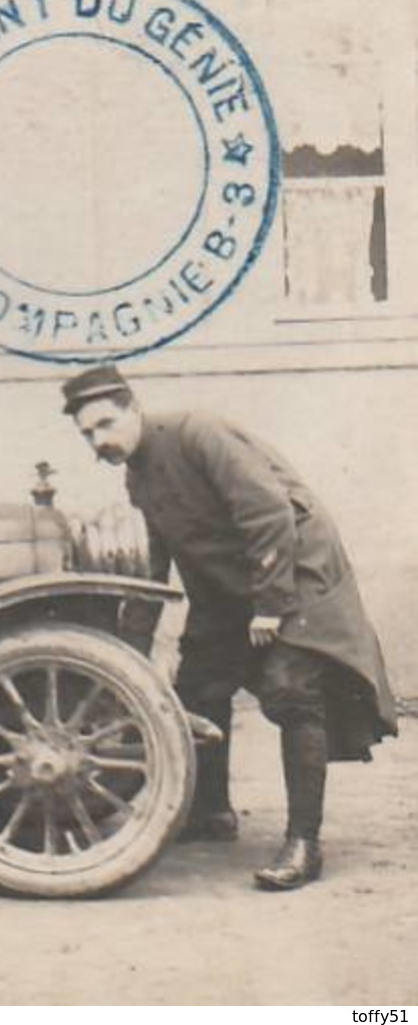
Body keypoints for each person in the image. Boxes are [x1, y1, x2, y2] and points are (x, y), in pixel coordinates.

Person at [62, 364, 398, 891]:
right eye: (87, 434)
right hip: (227, 592)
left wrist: (270, 606)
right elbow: (156, 562)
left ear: (133, 409)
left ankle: (304, 843)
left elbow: (268, 514)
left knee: (294, 690)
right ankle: (211, 813)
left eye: (105, 424)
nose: (98, 441)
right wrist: (129, 653)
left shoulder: (199, 434)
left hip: (295, 576)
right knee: (196, 686)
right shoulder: (138, 475)